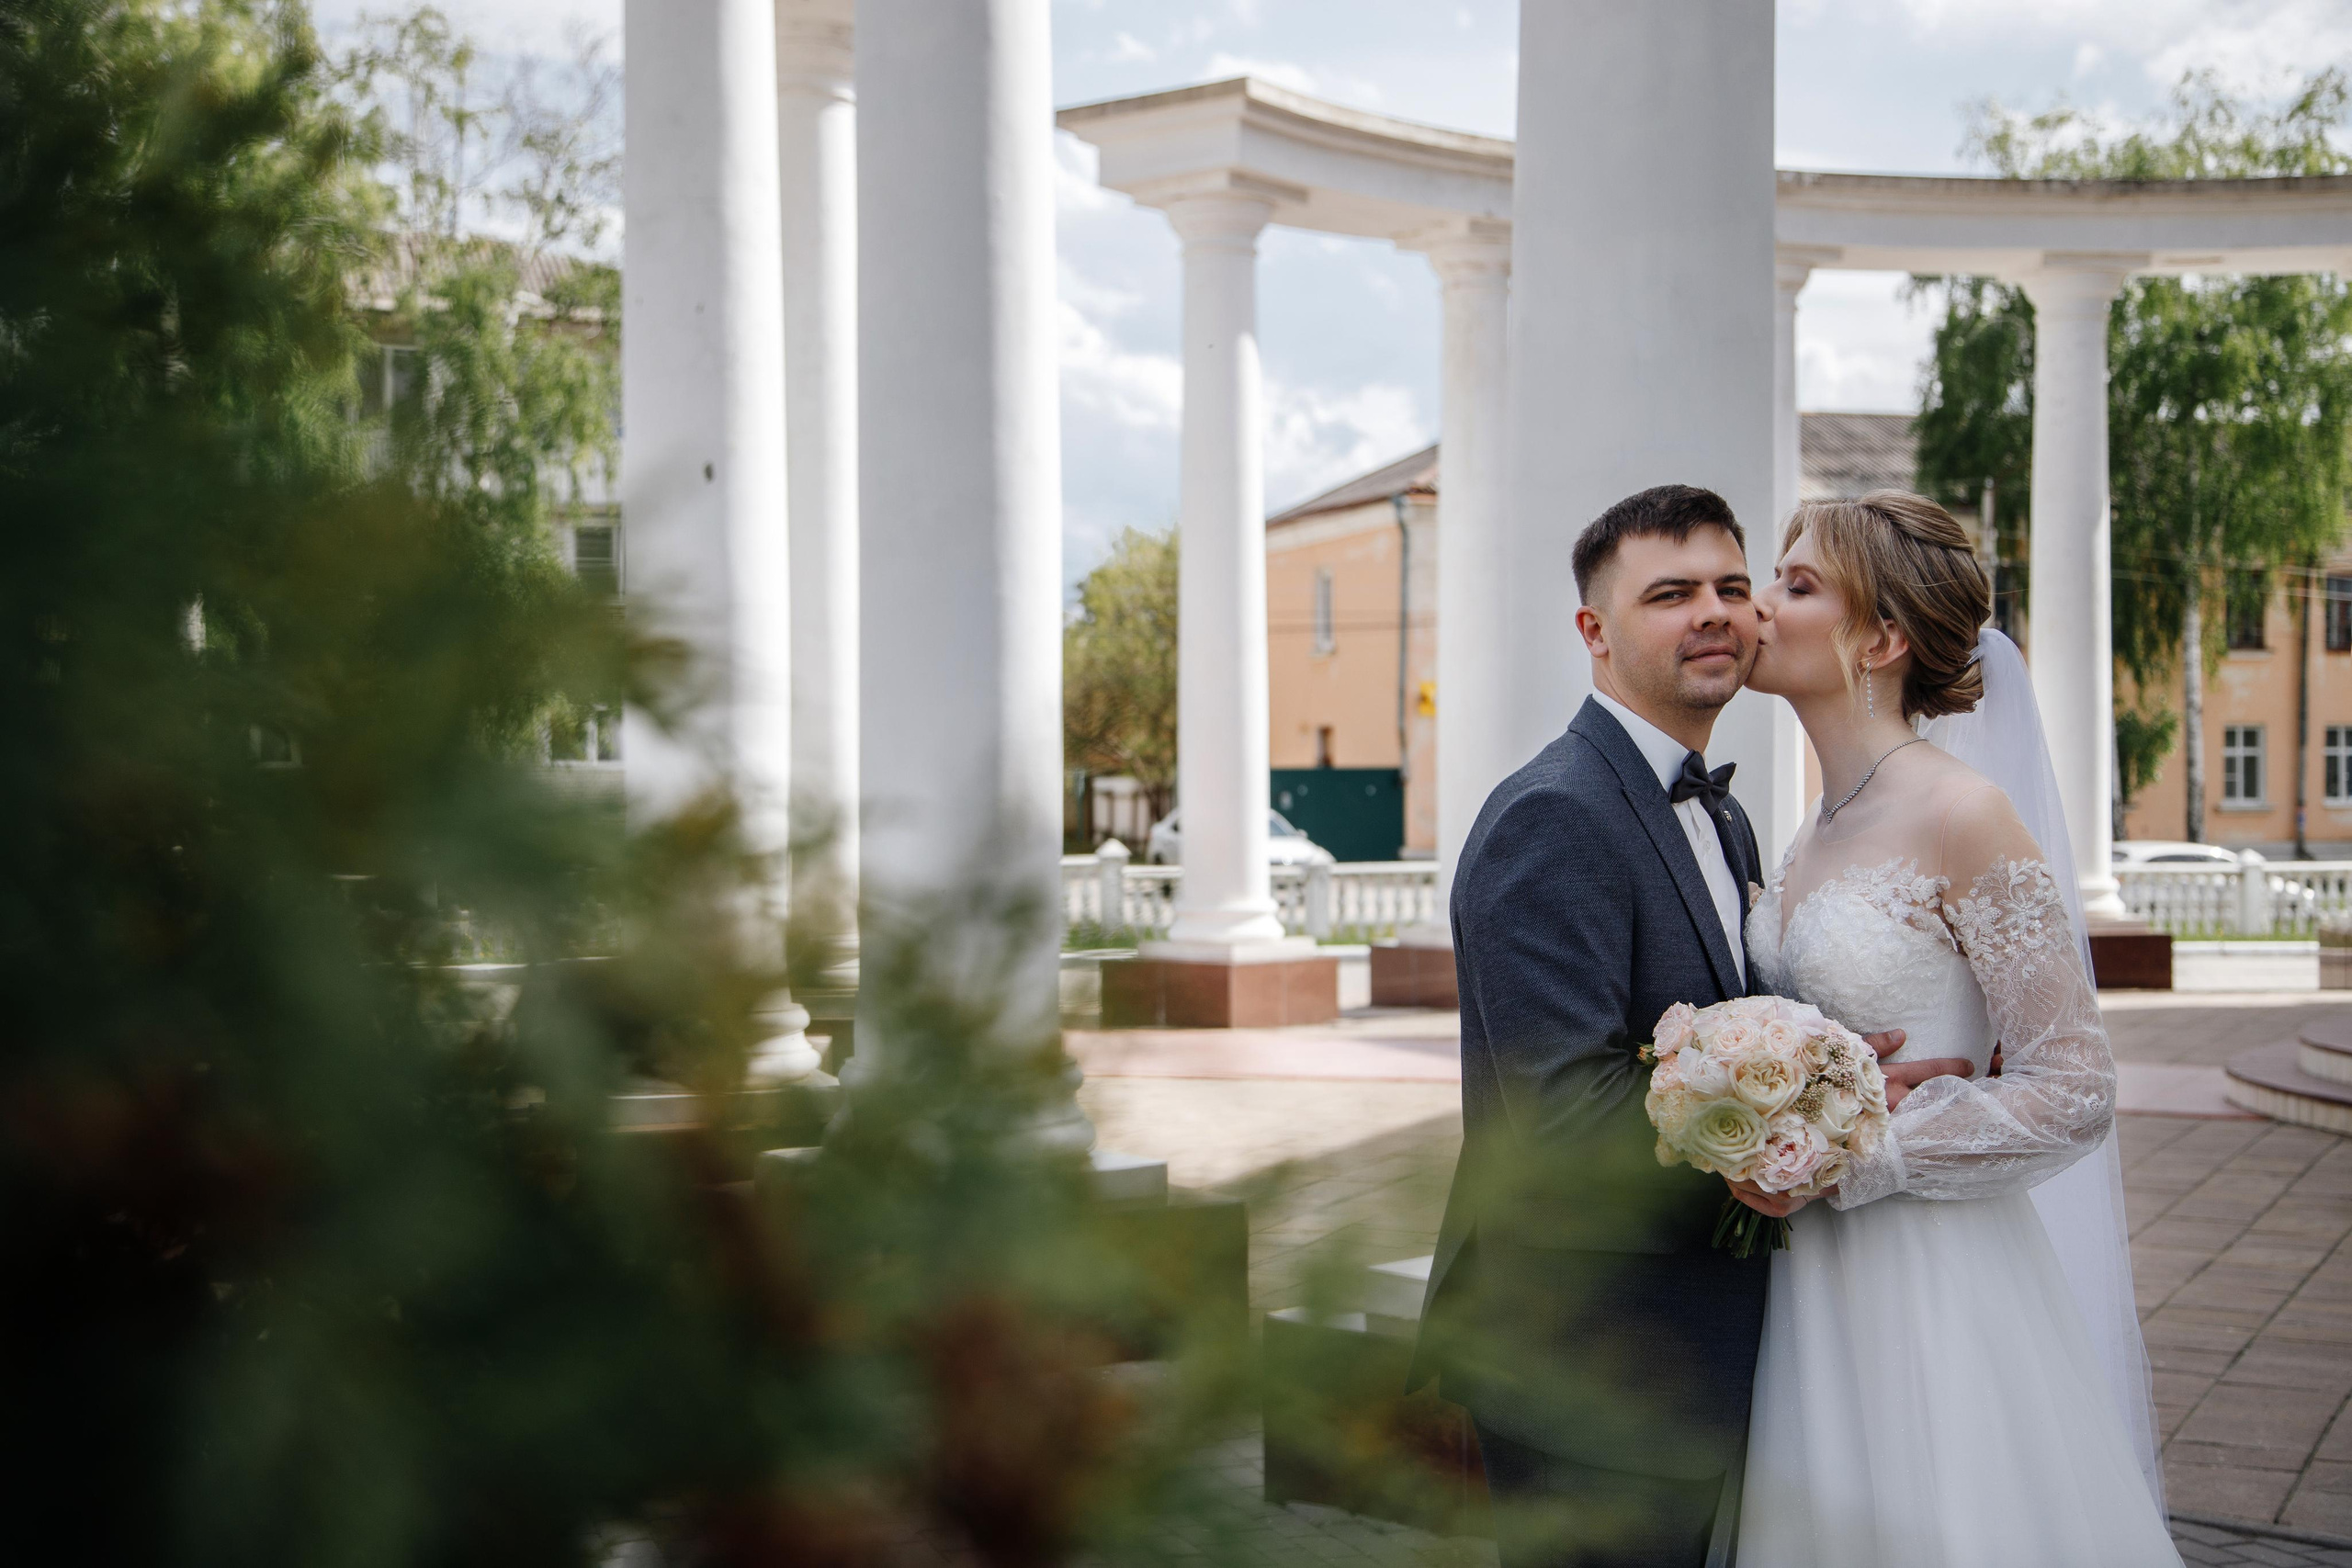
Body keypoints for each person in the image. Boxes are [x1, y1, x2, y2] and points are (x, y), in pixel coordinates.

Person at [1411, 485, 1975, 1568]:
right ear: (1595, 631)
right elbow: (1564, 1112)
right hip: (1591, 1355)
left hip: (1700, 1339)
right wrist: (1798, 1125)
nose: (1713, 612)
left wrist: (1861, 1068)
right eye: (1669, 594)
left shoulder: (1723, 810)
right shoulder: (1555, 815)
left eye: (1730, 584)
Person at [1732, 490, 2177, 1565]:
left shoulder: (1961, 813)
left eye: (1796, 586)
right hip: (1800, 1282)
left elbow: (2074, 1086)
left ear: (1878, 639)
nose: (1758, 604)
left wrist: (1859, 1148)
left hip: (1926, 1278)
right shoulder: (1808, 829)